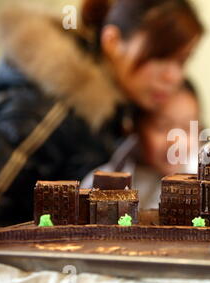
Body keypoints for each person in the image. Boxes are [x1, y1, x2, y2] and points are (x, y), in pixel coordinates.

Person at [0, 0, 203, 225]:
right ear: (113, 41)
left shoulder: (119, 109)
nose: (173, 77)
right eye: (160, 57)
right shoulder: (50, 107)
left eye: (182, 61)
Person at [82, 79, 200, 209]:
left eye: (187, 128)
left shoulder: (209, 181)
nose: (177, 141)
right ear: (134, 127)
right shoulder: (103, 183)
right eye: (162, 127)